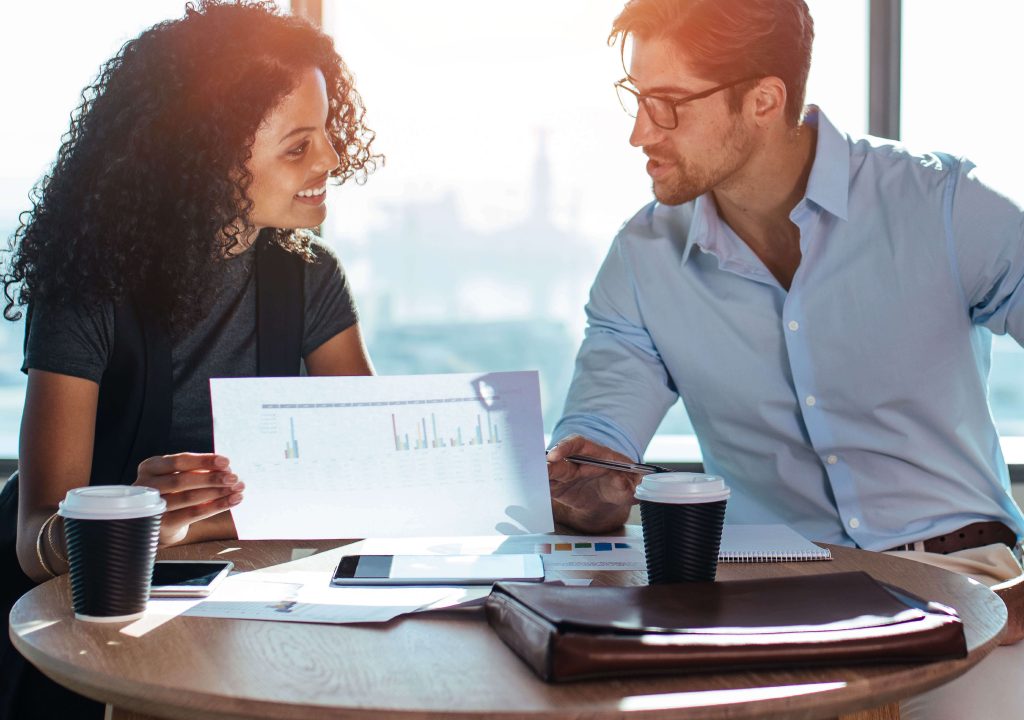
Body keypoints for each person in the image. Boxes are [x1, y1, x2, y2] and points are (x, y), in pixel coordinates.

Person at [545, 0, 1024, 717]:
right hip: (760, 608)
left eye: (669, 105)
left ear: (764, 100)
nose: (640, 132)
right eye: (637, 100)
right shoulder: (641, 260)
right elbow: (599, 447)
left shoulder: (943, 207)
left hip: (970, 587)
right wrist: (584, 485)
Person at [0, 2, 378, 717]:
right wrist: (140, 517)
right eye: (297, 147)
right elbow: (33, 536)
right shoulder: (91, 293)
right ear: (204, 162)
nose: (330, 160)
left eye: (326, 135)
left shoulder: (310, 279)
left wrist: (185, 524)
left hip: (241, 604)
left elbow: (368, 475)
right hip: (88, 626)